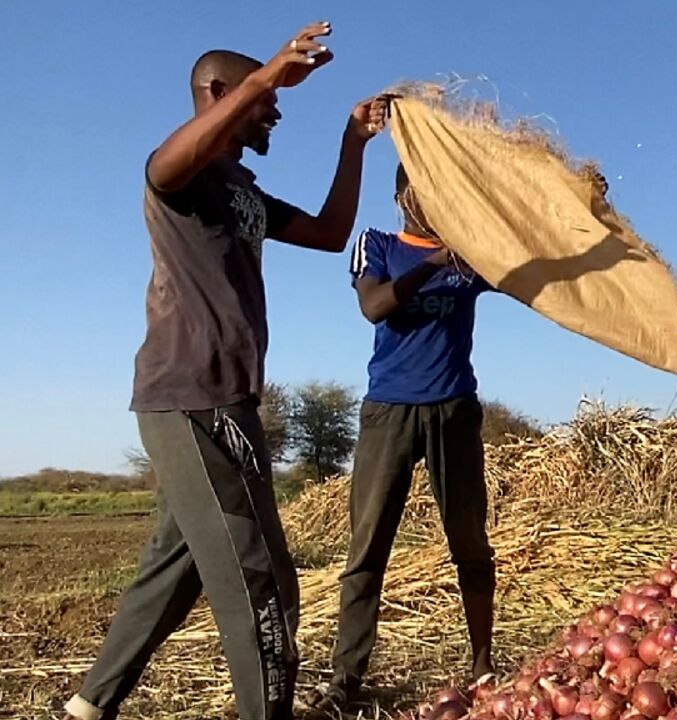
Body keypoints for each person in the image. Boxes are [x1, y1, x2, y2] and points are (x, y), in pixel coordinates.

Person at [63, 22, 388, 720]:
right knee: (260, 580)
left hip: (228, 400)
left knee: (176, 568)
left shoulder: (241, 193)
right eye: (262, 99)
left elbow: (331, 235)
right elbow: (161, 164)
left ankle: (89, 704)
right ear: (218, 92)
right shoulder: (181, 176)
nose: (274, 111)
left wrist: (352, 144)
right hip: (189, 398)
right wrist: (266, 75)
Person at [304, 163, 499, 710]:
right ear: (402, 195)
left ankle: (483, 662)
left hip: (454, 409)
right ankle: (347, 678)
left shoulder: (474, 256)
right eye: (423, 187)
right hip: (389, 412)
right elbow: (375, 305)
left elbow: (536, 271)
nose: (433, 198)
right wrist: (439, 259)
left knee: (469, 540)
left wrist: (577, 208)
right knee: (368, 546)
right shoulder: (379, 243)